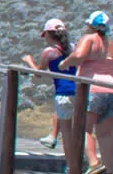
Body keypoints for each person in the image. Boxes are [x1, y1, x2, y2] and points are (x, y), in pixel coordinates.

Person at [68, 12, 113, 174]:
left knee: (84, 128)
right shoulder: (112, 44)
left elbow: (79, 56)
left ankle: (93, 163)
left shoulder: (89, 39)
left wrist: (65, 63)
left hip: (93, 88)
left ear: (91, 26)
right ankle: (108, 172)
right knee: (106, 134)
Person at [21, 19, 76, 150]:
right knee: (76, 127)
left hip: (63, 91)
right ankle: (53, 136)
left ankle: (72, 165)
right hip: (79, 90)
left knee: (67, 134)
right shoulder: (74, 48)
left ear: (50, 35)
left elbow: (39, 73)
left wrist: (29, 61)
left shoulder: (49, 52)